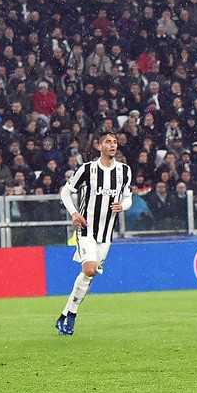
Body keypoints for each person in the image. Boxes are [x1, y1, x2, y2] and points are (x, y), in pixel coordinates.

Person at [56, 131, 133, 335]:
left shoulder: (124, 171)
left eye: (115, 142)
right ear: (99, 146)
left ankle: (66, 314)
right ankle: (71, 315)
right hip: (86, 229)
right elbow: (66, 192)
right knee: (89, 269)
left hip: (106, 234)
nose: (113, 145)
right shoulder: (87, 169)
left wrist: (122, 206)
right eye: (108, 142)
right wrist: (74, 213)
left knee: (88, 276)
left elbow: (128, 198)